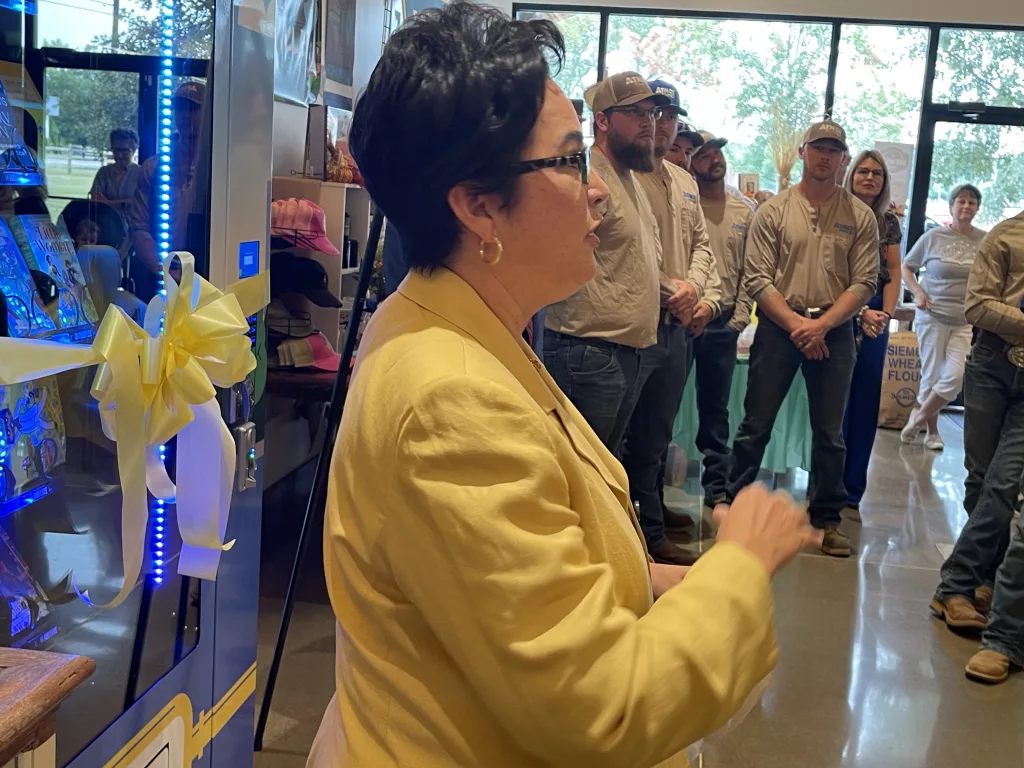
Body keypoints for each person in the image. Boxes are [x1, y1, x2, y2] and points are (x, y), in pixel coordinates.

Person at [311, 5, 822, 766]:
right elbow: (603, 707)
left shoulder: (452, 325)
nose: (598, 193)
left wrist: (635, 578)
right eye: (571, 161)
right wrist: (740, 565)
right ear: (478, 204)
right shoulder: (451, 400)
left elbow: (492, 581)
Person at [718, 119, 878, 558]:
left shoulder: (859, 216)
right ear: (804, 152)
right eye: (819, 148)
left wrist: (822, 325)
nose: (826, 156)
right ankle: (734, 508)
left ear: (843, 158)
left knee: (830, 432)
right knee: (755, 424)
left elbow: (865, 281)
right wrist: (798, 326)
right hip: (779, 328)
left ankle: (826, 519)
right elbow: (757, 278)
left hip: (834, 332)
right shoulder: (773, 211)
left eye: (834, 150)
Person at [543, 72, 672, 454]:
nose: (649, 123)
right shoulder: (586, 177)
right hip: (588, 351)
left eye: (652, 113)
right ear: (602, 120)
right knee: (581, 469)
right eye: (636, 113)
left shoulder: (628, 179)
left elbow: (636, 261)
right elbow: (557, 258)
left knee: (603, 470)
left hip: (623, 352)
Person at [625, 81, 720, 564]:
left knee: (657, 435)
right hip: (637, 324)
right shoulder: (622, 176)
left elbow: (703, 245)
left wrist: (694, 291)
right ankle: (640, 535)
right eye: (654, 115)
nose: (662, 125)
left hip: (677, 327)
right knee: (628, 438)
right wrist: (675, 292)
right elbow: (630, 258)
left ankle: (652, 520)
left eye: (670, 117)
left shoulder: (683, 180)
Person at [930, 212, 1024, 685]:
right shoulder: (1007, 235)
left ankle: (956, 584)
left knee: (1004, 484)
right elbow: (978, 307)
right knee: (982, 479)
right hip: (992, 363)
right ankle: (980, 580)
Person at [690, 130, 754, 507]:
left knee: (716, 411)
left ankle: (716, 489)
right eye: (704, 155)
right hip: (682, 320)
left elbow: (751, 270)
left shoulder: (744, 210)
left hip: (723, 323)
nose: (714, 159)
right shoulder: (684, 205)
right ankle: (648, 495)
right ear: (691, 164)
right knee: (660, 408)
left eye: (717, 153)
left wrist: (738, 320)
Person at [901, 183, 987, 450]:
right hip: (932, 315)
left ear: (977, 208)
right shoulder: (934, 236)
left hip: (964, 320)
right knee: (931, 376)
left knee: (954, 377)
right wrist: (917, 292)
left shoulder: (985, 240)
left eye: (971, 202)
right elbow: (907, 267)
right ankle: (932, 433)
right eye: (961, 201)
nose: (966, 206)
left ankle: (917, 417)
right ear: (952, 206)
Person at [840, 150, 903, 510]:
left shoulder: (888, 221)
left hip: (877, 314)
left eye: (877, 173)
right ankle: (827, 484)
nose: (869, 178)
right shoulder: (836, 212)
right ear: (851, 175)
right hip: (839, 309)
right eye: (863, 171)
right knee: (835, 402)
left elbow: (893, 271)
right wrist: (859, 311)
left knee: (865, 401)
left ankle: (852, 489)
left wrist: (886, 314)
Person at [126, 81, 206, 302]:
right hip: (160, 278)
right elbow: (138, 226)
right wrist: (162, 269)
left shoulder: (219, 170)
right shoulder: (153, 167)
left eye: (193, 108)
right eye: (179, 108)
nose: (185, 115)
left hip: (208, 276)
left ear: (207, 113)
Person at [89, 128, 141, 213]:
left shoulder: (142, 173)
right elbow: (95, 199)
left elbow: (139, 201)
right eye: (116, 150)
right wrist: (123, 203)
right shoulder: (104, 172)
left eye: (124, 151)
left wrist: (107, 203)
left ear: (134, 150)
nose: (119, 155)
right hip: (106, 220)